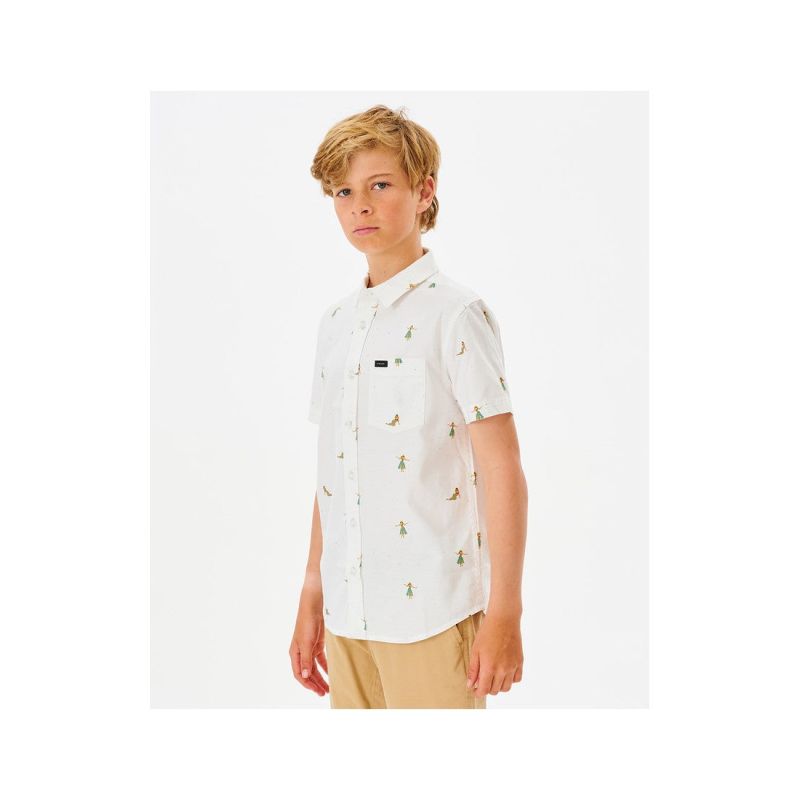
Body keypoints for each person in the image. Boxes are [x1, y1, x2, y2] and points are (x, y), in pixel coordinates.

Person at [289, 104, 528, 708]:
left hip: (431, 615)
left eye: (379, 185)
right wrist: (313, 588)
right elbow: (334, 470)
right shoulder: (336, 324)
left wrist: (505, 610)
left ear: (424, 192)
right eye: (343, 192)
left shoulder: (456, 316)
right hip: (348, 617)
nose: (359, 206)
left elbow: (501, 467)